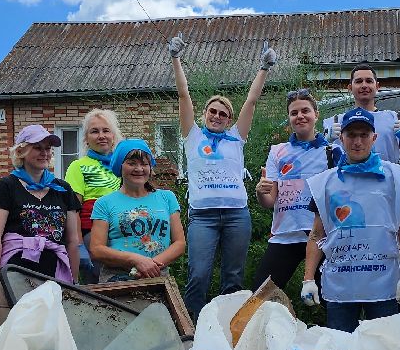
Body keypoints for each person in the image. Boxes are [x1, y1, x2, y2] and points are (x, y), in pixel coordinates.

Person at [170, 34, 271, 320]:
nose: (217, 116)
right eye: (212, 111)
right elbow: (183, 95)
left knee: (233, 278)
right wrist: (175, 58)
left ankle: (228, 333)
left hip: (237, 215)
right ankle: (193, 333)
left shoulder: (236, 138)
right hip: (203, 216)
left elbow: (251, 102)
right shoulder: (193, 136)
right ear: (204, 114)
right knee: (198, 275)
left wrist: (264, 68)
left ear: (229, 119)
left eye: (223, 114)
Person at [300, 107, 400, 333]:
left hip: (383, 283)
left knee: (385, 349)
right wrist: (308, 278)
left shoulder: (396, 177)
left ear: (374, 138)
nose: (357, 141)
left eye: (363, 135)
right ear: (341, 138)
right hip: (340, 286)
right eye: (351, 135)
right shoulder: (324, 183)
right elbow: (317, 234)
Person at [252, 89, 333, 291]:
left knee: (331, 300)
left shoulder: (332, 152)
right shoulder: (277, 151)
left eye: (305, 110)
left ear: (316, 114)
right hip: (285, 234)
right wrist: (260, 192)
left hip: (320, 236)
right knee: (259, 296)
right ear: (289, 118)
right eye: (294, 113)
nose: (300, 116)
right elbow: (270, 201)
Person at [0, 124, 82, 283]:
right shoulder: (7, 186)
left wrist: (75, 283)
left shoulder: (63, 189)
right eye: (37, 148)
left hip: (55, 274)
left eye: (48, 148)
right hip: (17, 272)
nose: (44, 153)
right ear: (20, 151)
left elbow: (72, 241)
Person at [89, 139, 185, 283]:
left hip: (158, 275)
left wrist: (150, 265)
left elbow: (179, 243)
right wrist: (135, 260)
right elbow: (96, 249)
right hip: (116, 278)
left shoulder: (167, 198)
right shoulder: (104, 203)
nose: (139, 169)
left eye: (144, 164)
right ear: (119, 166)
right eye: (132, 163)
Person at [63, 108, 122, 284]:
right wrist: (78, 244)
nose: (101, 135)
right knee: (100, 283)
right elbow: (72, 209)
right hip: (94, 233)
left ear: (114, 135)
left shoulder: (122, 165)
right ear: (86, 138)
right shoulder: (78, 166)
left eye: (106, 130)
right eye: (94, 131)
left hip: (123, 231)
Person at [322, 65, 400, 163]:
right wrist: (327, 141)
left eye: (369, 81)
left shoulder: (395, 119)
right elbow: (321, 160)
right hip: (347, 177)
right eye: (359, 81)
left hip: (387, 177)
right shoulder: (335, 122)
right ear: (350, 88)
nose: (364, 85)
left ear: (377, 86)